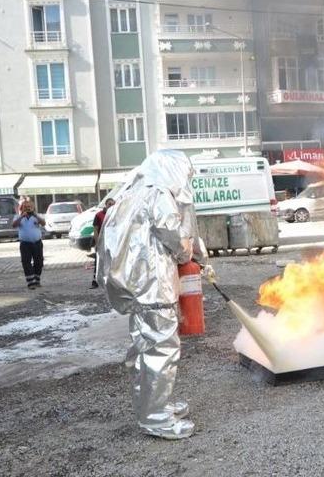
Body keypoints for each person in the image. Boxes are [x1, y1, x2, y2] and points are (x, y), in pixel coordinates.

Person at [97, 149, 204, 440]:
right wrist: (189, 254)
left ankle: (155, 406)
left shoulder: (131, 192)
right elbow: (175, 238)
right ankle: (157, 418)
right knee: (161, 350)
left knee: (144, 351)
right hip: (154, 286)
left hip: (135, 287)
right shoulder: (159, 195)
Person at [12, 201, 46, 289]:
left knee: (39, 262)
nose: (28, 208)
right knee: (26, 262)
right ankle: (31, 282)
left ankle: (37, 280)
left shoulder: (36, 216)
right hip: (25, 244)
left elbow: (43, 223)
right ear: (22, 208)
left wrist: (35, 215)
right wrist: (22, 216)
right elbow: (14, 225)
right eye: (26, 206)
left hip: (37, 242)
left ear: (33, 207)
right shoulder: (18, 216)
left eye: (30, 206)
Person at [89, 198, 116, 289]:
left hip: (111, 241)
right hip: (101, 241)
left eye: (113, 204)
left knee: (111, 260)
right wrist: (97, 243)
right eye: (109, 204)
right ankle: (95, 280)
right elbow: (95, 230)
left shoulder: (115, 215)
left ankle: (110, 281)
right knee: (99, 261)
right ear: (105, 204)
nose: (111, 206)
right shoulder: (99, 215)